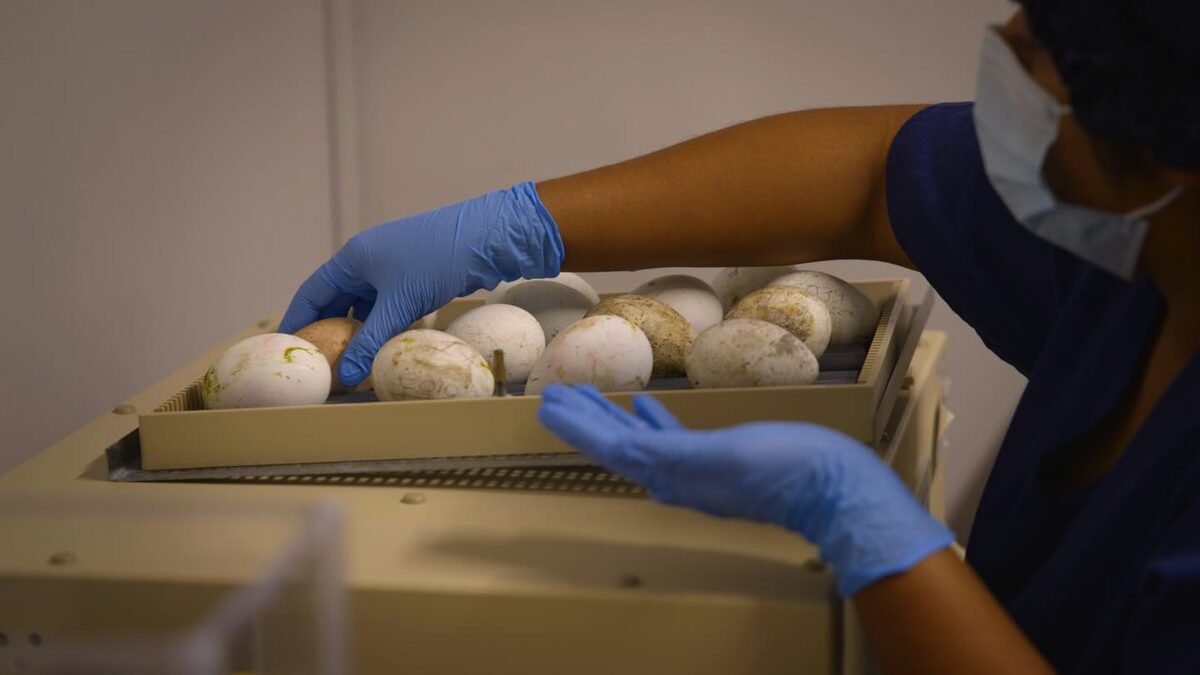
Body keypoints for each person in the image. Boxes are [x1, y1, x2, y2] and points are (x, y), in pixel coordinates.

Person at [280, 2, 1200, 672]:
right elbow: (876, 174)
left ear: (1156, 151)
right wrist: (513, 224)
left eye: (1036, 59)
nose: (997, 53)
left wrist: (870, 528)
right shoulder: (1147, 251)